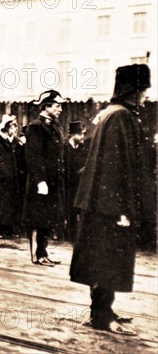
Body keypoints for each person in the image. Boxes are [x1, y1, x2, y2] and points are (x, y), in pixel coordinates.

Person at [70, 64, 154, 336]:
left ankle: (104, 310)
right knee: (108, 260)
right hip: (111, 207)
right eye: (142, 91)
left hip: (102, 204)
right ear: (133, 91)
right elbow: (116, 166)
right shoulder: (121, 118)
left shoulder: (112, 114)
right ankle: (102, 315)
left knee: (105, 259)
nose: (145, 96)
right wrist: (122, 209)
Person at [22, 90, 66, 266]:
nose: (60, 109)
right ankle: (37, 255)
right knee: (37, 217)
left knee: (48, 217)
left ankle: (44, 252)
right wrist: (40, 181)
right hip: (40, 182)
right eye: (57, 106)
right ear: (46, 107)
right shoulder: (35, 127)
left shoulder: (54, 127)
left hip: (53, 181)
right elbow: (34, 156)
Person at [63, 121, 87, 241]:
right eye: (80, 134)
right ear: (72, 134)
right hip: (67, 184)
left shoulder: (83, 148)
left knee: (77, 208)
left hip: (78, 184)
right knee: (68, 207)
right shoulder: (65, 148)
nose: (83, 137)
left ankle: (74, 233)